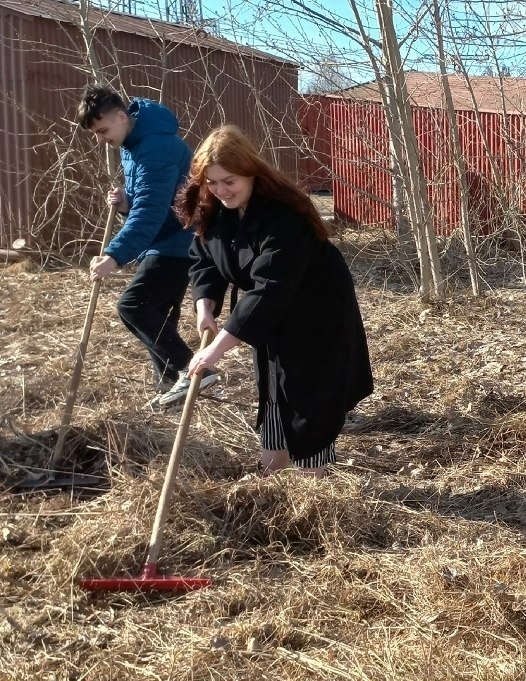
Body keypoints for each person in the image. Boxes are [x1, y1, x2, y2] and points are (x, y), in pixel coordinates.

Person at [180, 127, 373, 473]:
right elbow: (205, 257)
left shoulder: (283, 218)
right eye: (212, 182)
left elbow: (268, 289)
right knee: (272, 386)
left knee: (308, 397)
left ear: (251, 172)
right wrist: (204, 304)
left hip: (316, 314)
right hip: (269, 320)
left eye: (229, 181)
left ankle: (314, 485)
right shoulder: (218, 211)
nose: (220, 190)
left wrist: (216, 349)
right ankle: (273, 473)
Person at [77, 84, 216, 408]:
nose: (101, 139)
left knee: (133, 306)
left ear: (122, 117)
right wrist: (126, 202)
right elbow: (152, 199)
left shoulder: (155, 147)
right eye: (95, 133)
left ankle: (195, 369)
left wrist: (115, 255)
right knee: (159, 315)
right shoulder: (134, 143)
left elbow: (150, 212)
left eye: (103, 130)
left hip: (179, 241)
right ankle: (174, 386)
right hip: (167, 238)